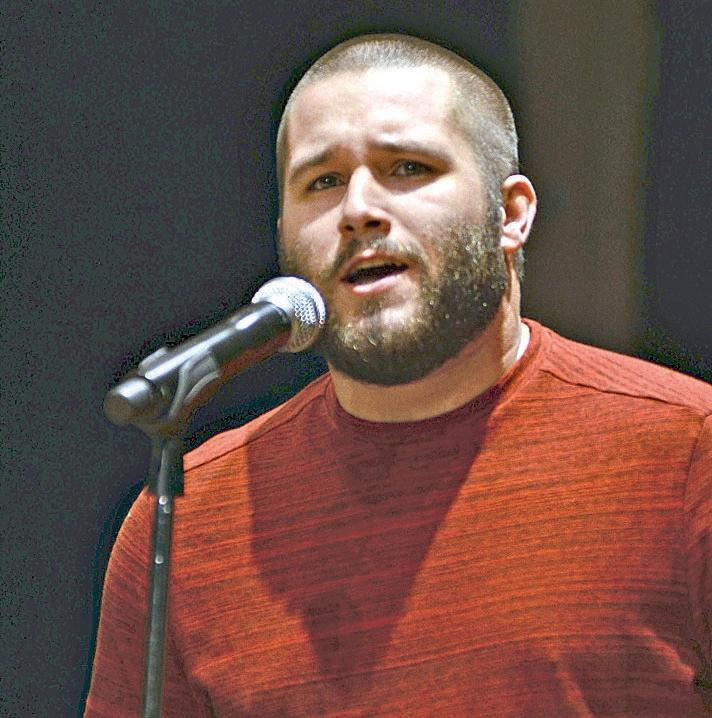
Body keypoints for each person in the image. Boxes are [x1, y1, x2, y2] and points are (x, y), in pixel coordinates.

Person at [85, 33, 712, 717]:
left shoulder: (688, 453)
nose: (358, 209)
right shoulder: (188, 518)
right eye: (323, 182)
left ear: (510, 215)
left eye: (408, 167)